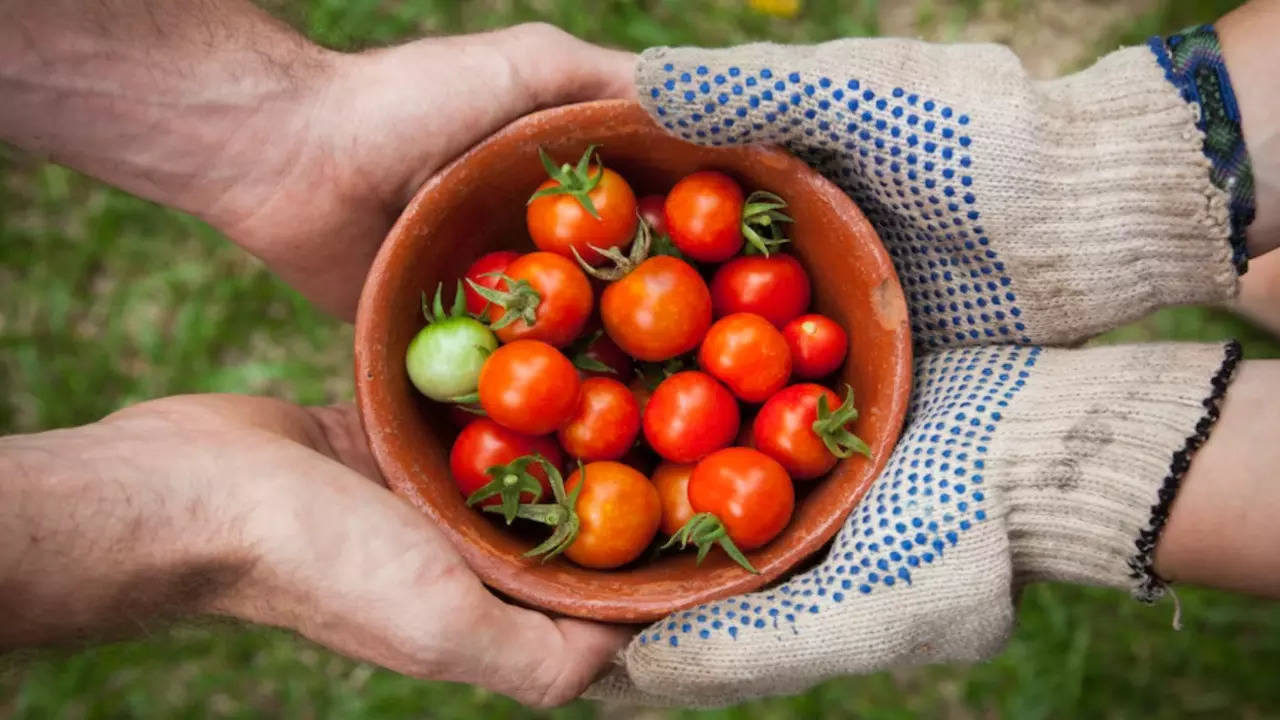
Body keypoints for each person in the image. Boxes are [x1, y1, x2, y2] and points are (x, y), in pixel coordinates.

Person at [0, 0, 1277, 709]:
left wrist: (1107, 166)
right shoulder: (602, 364)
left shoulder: (603, 329)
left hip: (710, 400)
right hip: (703, 417)